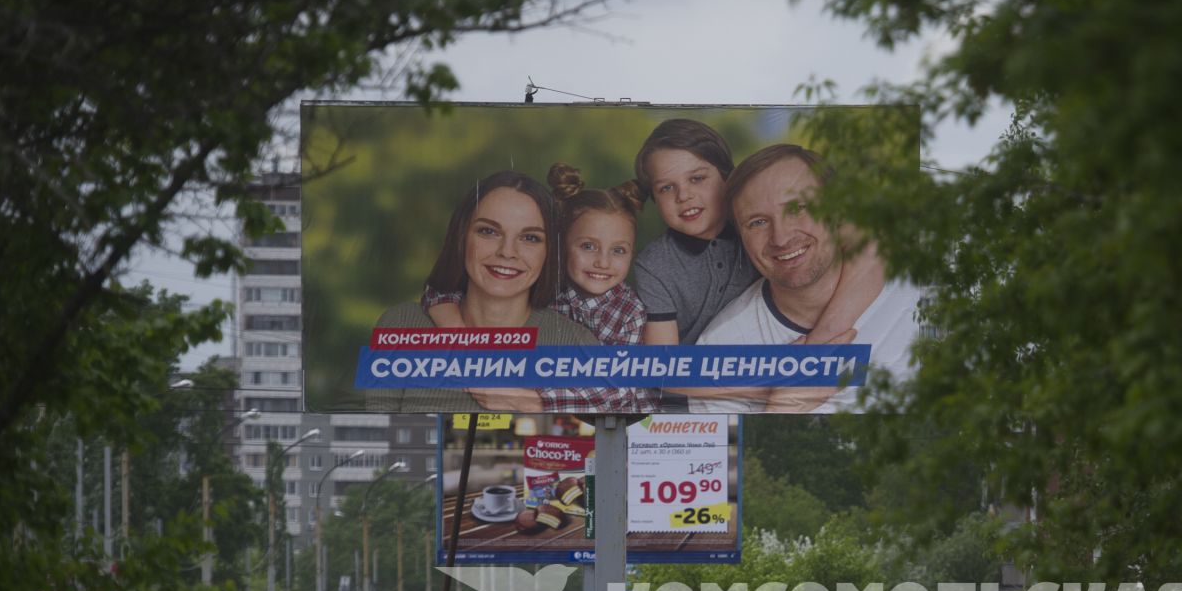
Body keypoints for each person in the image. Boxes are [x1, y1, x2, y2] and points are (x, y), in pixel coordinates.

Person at [628, 119, 886, 411]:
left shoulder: (756, 225)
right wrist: (783, 379)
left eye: (697, 178)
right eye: (665, 188)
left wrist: (818, 348)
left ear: (727, 177)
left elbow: (868, 244)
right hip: (690, 398)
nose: (683, 195)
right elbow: (664, 372)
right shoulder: (656, 265)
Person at [365, 170, 628, 413]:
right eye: (488, 231)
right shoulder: (402, 326)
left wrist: (533, 402)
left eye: (530, 238)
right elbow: (375, 446)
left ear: (550, 252)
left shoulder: (576, 344)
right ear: (462, 236)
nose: (507, 252)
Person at [690, 145, 925, 414]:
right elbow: (727, 455)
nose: (781, 237)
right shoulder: (721, 349)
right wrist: (783, 409)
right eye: (757, 222)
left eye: (799, 207)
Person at [424, 163, 657, 412]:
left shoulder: (630, 312)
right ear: (560, 245)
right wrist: (459, 337)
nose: (603, 262)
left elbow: (618, 390)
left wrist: (534, 400)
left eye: (619, 250)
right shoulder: (546, 285)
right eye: (588, 246)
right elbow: (441, 290)